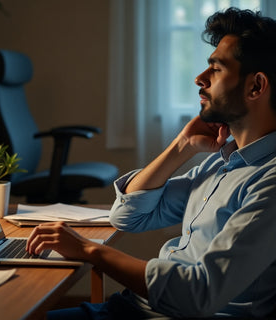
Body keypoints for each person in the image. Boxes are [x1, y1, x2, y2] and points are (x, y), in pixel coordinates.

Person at [26, 7, 276, 319]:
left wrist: (88, 250)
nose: (200, 79)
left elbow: (199, 295)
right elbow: (129, 216)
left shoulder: (269, 181)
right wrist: (182, 145)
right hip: (136, 307)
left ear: (256, 86)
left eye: (216, 69)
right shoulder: (222, 164)